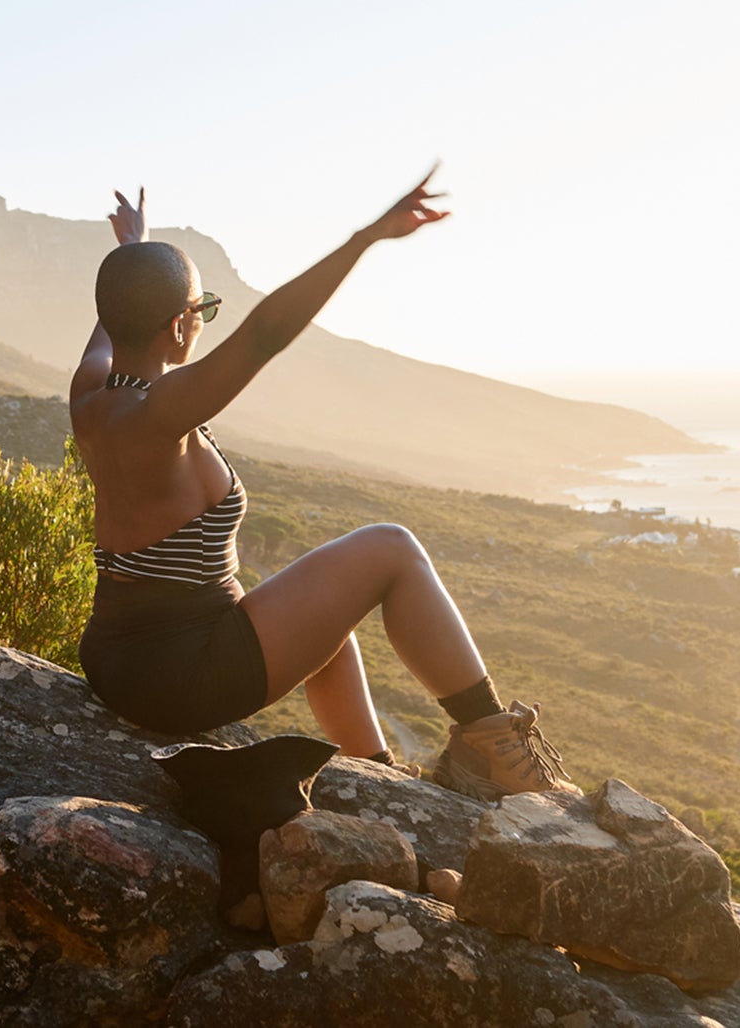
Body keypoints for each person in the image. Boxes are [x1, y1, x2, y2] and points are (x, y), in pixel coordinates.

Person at [70, 172, 576, 801]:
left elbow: (120, 315)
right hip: (179, 676)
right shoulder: (159, 415)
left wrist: (132, 252)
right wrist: (365, 239)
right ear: (178, 326)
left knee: (325, 623)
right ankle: (494, 745)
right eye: (201, 311)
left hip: (119, 658)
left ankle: (379, 775)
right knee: (391, 548)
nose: (203, 322)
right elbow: (262, 336)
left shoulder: (90, 397)